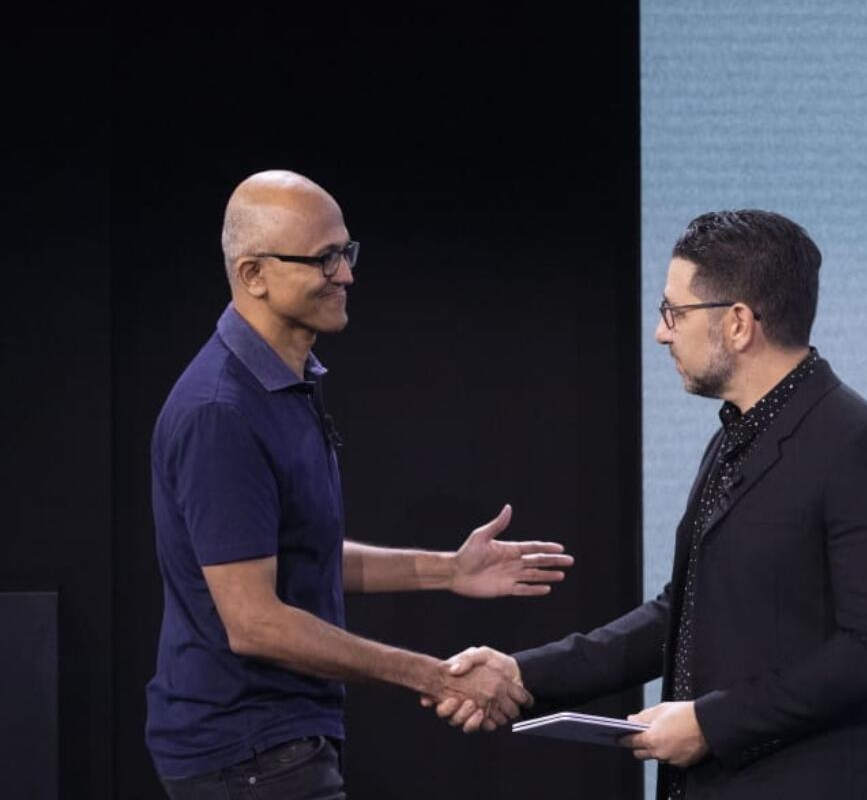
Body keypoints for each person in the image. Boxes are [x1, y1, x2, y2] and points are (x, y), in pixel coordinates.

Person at [437, 210, 867, 799]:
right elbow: (683, 613)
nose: (662, 332)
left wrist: (710, 723)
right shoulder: (732, 439)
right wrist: (522, 674)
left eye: (675, 312)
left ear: (739, 323)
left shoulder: (862, 444)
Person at [146, 170, 572, 799]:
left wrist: (448, 571)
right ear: (253, 274)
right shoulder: (222, 412)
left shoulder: (284, 385)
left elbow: (302, 555)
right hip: (248, 755)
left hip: (278, 744)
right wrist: (433, 676)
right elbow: (255, 622)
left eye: (345, 252)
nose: (346, 275)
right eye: (323, 259)